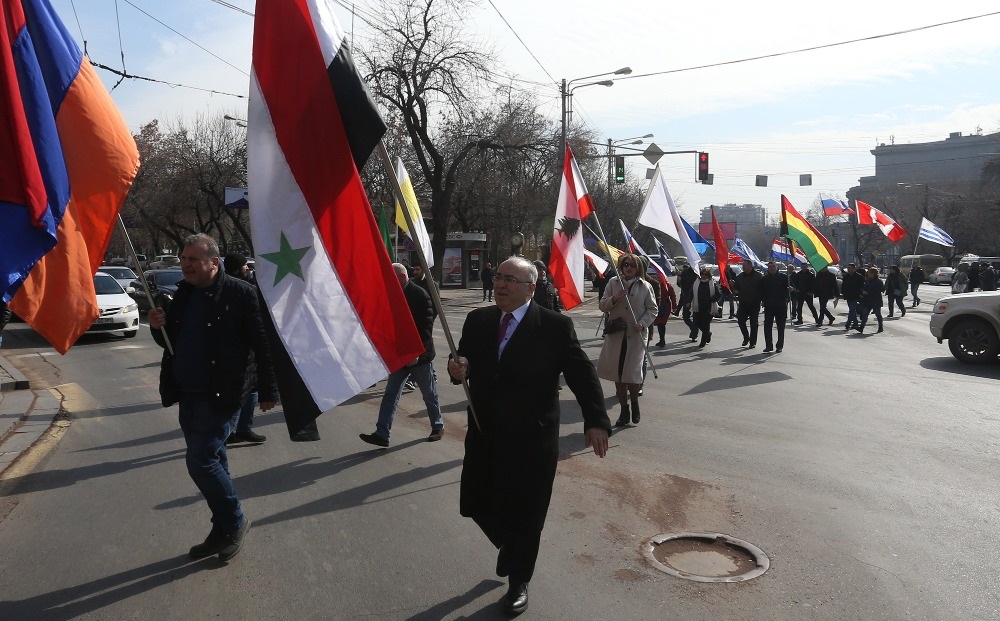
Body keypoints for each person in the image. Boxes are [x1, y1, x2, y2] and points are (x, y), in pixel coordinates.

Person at [446, 257, 610, 616]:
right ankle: (509, 543)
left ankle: (519, 581)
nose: (500, 285)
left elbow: (583, 375)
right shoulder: (479, 320)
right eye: (499, 277)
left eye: (510, 280)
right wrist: (458, 368)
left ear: (530, 288)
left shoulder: (553, 326)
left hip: (531, 439)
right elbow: (463, 361)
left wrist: (595, 420)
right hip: (486, 432)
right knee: (474, 500)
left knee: (527, 513)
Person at [148, 233, 278, 562]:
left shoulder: (242, 293)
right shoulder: (183, 295)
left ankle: (235, 521)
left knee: (200, 461)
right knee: (215, 460)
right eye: (184, 259)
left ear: (214, 262)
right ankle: (221, 527)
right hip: (188, 392)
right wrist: (156, 327)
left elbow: (263, 344)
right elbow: (171, 344)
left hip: (223, 394)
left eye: (193, 259)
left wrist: (268, 389)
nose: (186, 265)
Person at [360, 263, 444, 447]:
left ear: (402, 277)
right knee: (391, 394)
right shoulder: (391, 294)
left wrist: (416, 352)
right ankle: (382, 433)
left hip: (420, 356)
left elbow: (425, 329)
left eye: (391, 277)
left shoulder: (420, 295)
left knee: (429, 394)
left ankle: (437, 426)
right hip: (399, 355)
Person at [597, 254, 657, 426]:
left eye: (632, 265)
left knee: (631, 375)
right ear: (621, 267)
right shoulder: (613, 283)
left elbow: (653, 309)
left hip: (636, 336)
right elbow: (602, 306)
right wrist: (614, 298)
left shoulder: (645, 286)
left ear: (638, 268)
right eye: (625, 265)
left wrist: (643, 323)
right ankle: (624, 411)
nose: (629, 268)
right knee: (618, 375)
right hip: (616, 336)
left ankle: (635, 404)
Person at [222, 253, 267, 445]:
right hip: (235, 352)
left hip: (250, 350)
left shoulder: (251, 287)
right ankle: (227, 433)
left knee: (252, 390)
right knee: (238, 392)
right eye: (244, 266)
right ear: (234, 269)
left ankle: (243, 429)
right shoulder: (232, 290)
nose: (248, 269)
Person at [760, 261, 790, 353]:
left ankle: (779, 346)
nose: (771, 268)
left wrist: (791, 289)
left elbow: (793, 288)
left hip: (781, 305)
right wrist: (762, 300)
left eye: (773, 266)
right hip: (769, 306)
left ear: (776, 267)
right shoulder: (764, 279)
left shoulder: (784, 277)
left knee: (780, 327)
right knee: (767, 326)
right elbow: (761, 291)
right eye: (769, 267)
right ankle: (769, 346)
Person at [690, 266, 721, 348]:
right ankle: (708, 333)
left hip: (708, 308)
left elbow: (718, 295)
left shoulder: (712, 284)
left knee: (706, 324)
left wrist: (711, 299)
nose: (703, 276)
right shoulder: (696, 283)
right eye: (702, 274)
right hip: (698, 307)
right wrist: (688, 302)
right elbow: (691, 293)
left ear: (709, 276)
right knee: (697, 323)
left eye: (705, 274)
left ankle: (703, 342)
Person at [733, 259, 762, 348]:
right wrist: (733, 285)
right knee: (740, 320)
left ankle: (752, 342)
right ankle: (746, 337)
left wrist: (763, 300)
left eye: (744, 265)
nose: (743, 267)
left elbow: (763, 289)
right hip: (743, 303)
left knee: (754, 324)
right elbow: (736, 289)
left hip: (754, 303)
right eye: (742, 266)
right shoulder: (740, 277)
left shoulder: (758, 276)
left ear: (750, 266)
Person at [856, 267, 885, 333]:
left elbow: (881, 290)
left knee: (878, 314)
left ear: (873, 273)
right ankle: (861, 327)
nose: (867, 273)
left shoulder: (878, 281)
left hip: (876, 300)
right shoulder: (867, 281)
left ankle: (880, 327)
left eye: (869, 272)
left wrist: (869, 292)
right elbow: (863, 288)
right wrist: (862, 292)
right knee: (865, 314)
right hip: (868, 300)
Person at [652, 276, 678, 347]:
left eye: (660, 278)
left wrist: (674, 306)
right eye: (657, 278)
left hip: (665, 306)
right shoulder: (653, 285)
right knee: (658, 323)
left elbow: (673, 296)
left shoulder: (668, 286)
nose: (658, 279)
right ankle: (661, 339)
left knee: (661, 323)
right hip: (656, 306)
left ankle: (662, 340)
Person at [840, 263, 866, 331]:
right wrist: (842, 293)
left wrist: (861, 293)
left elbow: (862, 286)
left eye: (851, 268)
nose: (849, 269)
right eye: (848, 268)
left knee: (852, 309)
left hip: (856, 295)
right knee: (852, 310)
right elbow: (844, 285)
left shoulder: (859, 277)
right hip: (848, 295)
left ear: (854, 269)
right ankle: (855, 323)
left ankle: (848, 323)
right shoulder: (846, 276)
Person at [677, 264, 699, 341]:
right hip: (692, 298)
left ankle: (694, 331)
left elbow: (679, 284)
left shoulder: (685, 273)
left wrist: (679, 280)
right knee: (693, 318)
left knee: (687, 317)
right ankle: (694, 331)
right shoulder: (697, 273)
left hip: (688, 298)